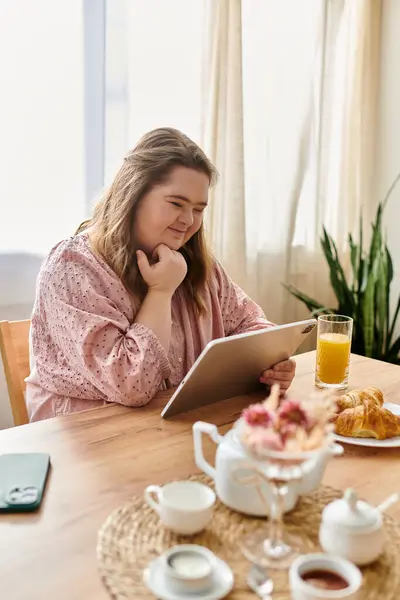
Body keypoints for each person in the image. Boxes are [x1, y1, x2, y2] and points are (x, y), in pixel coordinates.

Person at [26, 128, 295, 422]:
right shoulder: (71, 267)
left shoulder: (196, 264)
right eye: (176, 204)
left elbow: (249, 323)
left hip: (174, 431)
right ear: (134, 194)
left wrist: (271, 364)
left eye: (198, 209)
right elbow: (132, 383)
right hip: (87, 443)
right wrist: (161, 291)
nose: (188, 221)